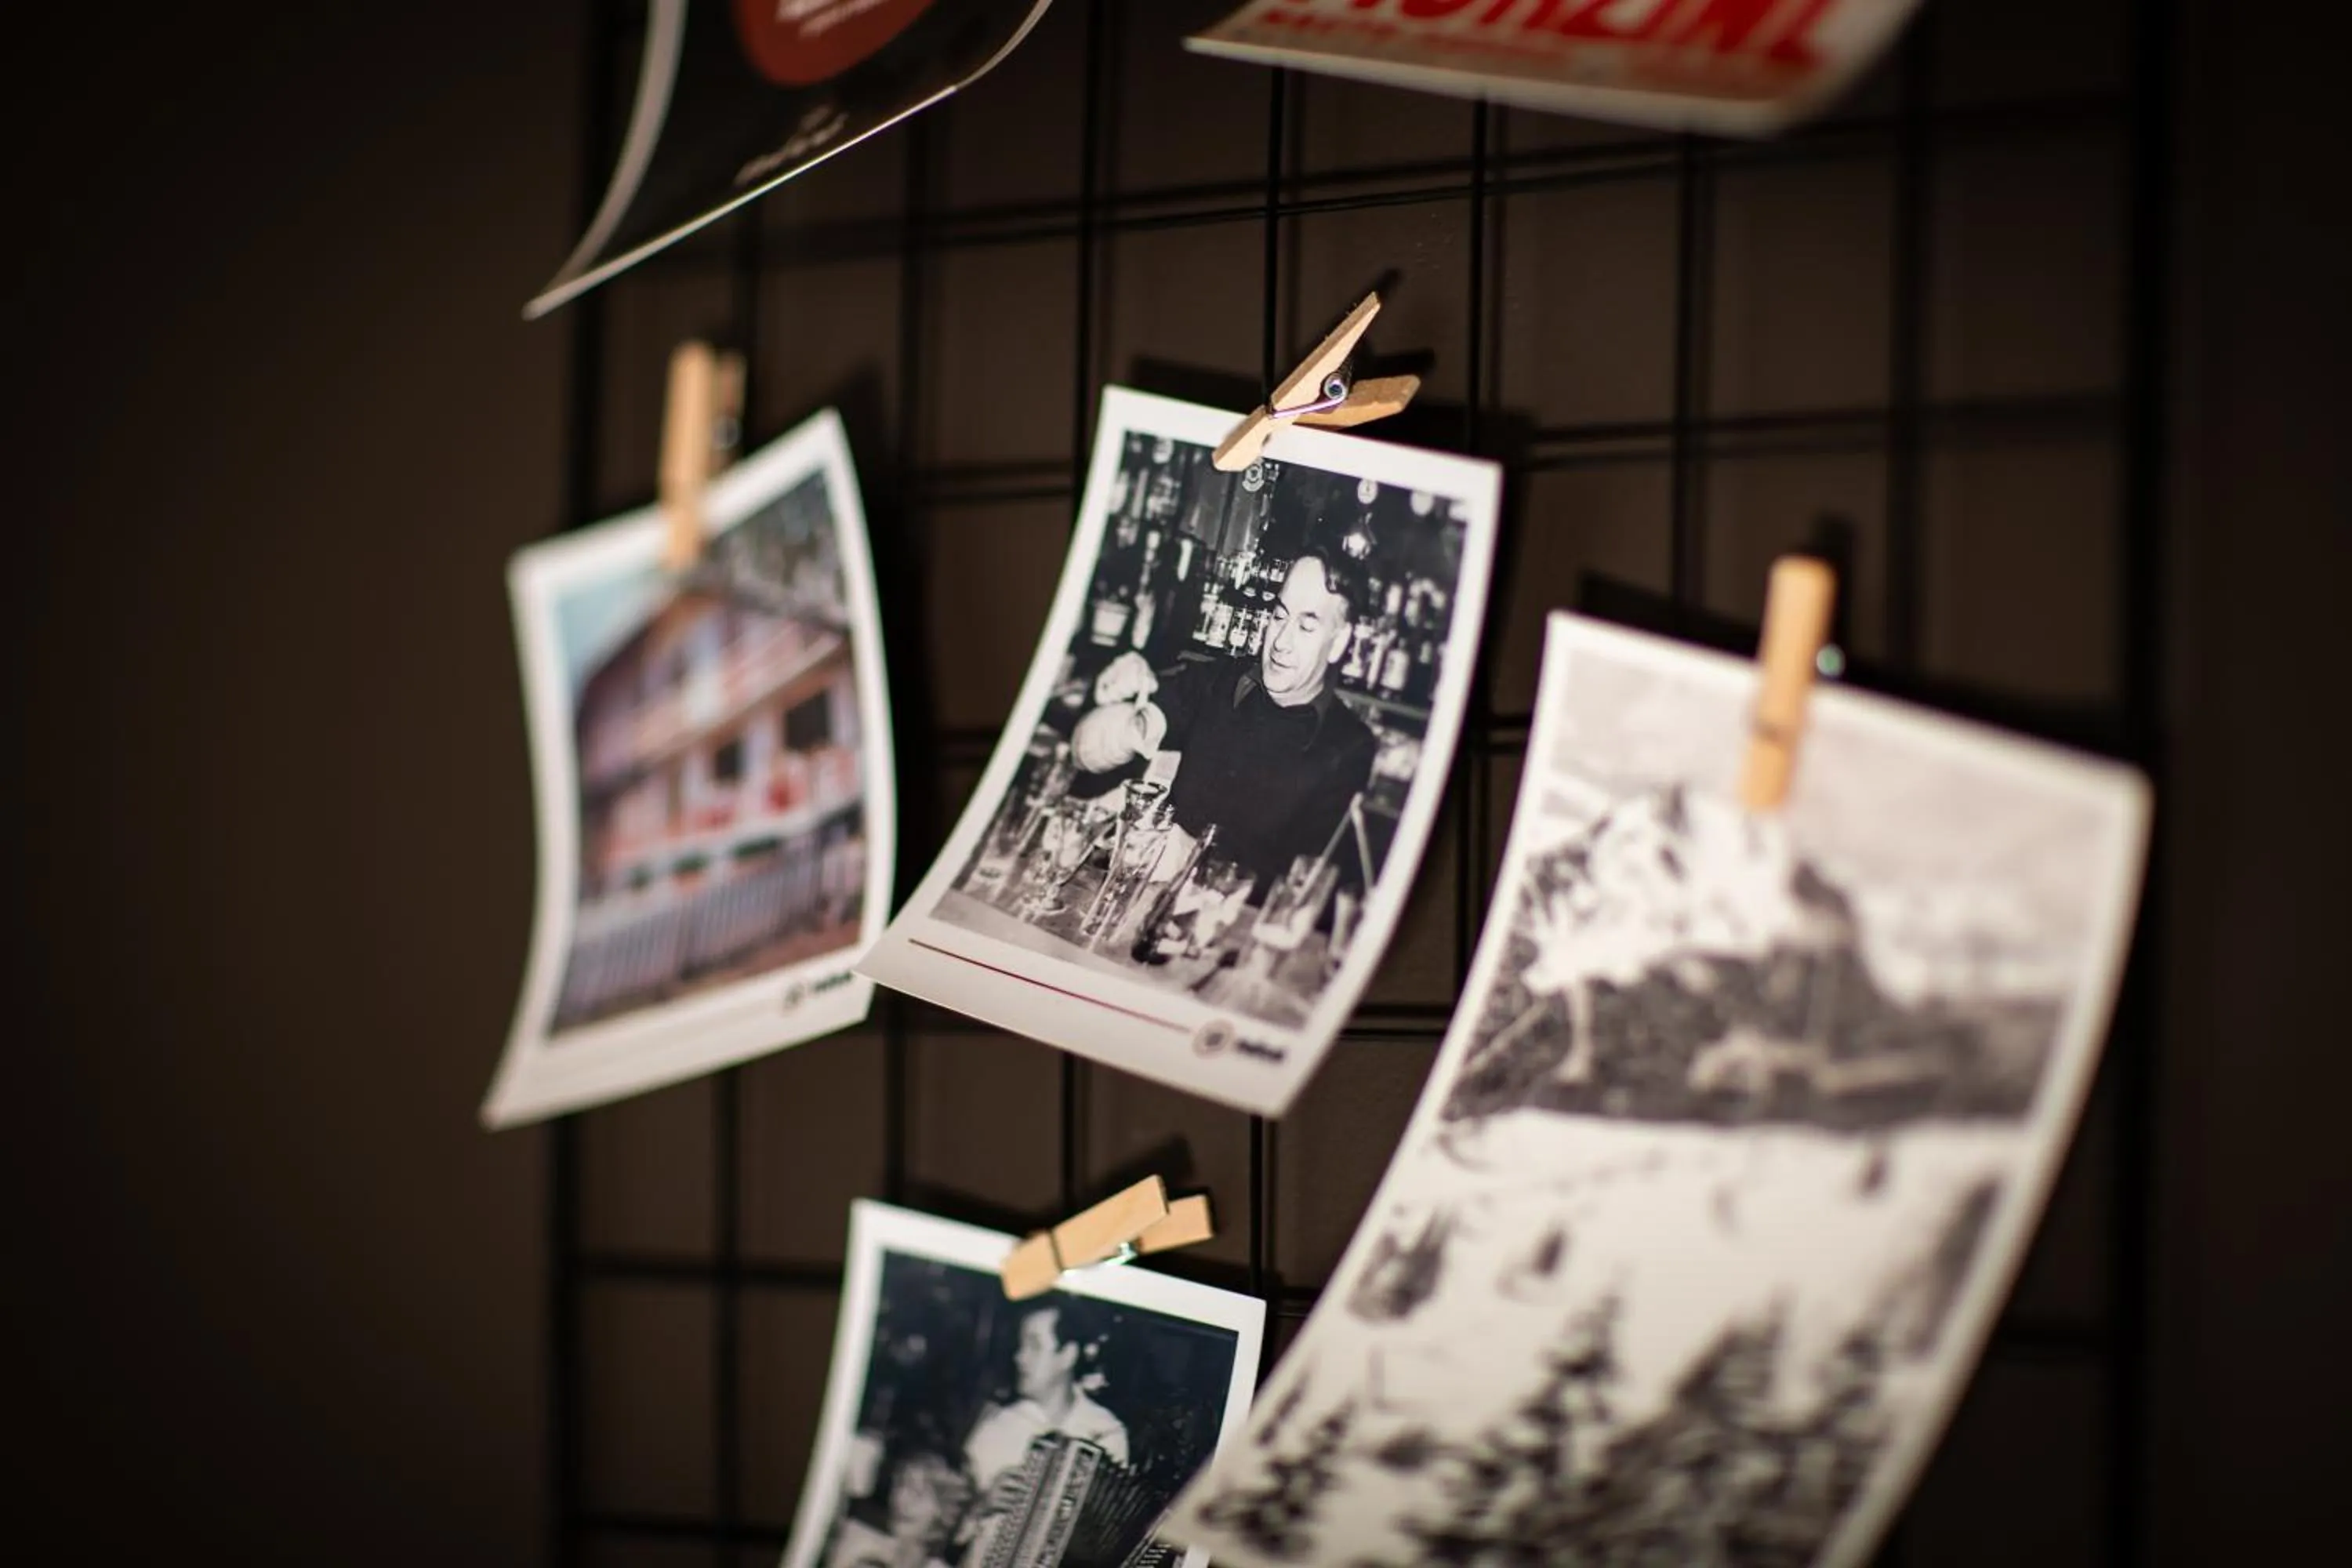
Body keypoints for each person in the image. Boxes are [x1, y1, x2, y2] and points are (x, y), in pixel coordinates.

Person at [1069, 552, 1378, 890]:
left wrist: (1194, 860)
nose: (1280, 642)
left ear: (1340, 641)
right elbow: (1087, 750)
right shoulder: (1220, 679)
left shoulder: (1349, 747)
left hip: (1224, 933)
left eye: (1306, 626)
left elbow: (1304, 889)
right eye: (1279, 616)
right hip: (1139, 900)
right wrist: (1120, 714)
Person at [961, 1301, 1131, 1497]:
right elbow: (954, 1512)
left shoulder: (1106, 1432)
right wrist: (982, 1503)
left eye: (1034, 1346)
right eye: (1021, 1344)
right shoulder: (996, 1427)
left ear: (1067, 1355)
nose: (1020, 1357)